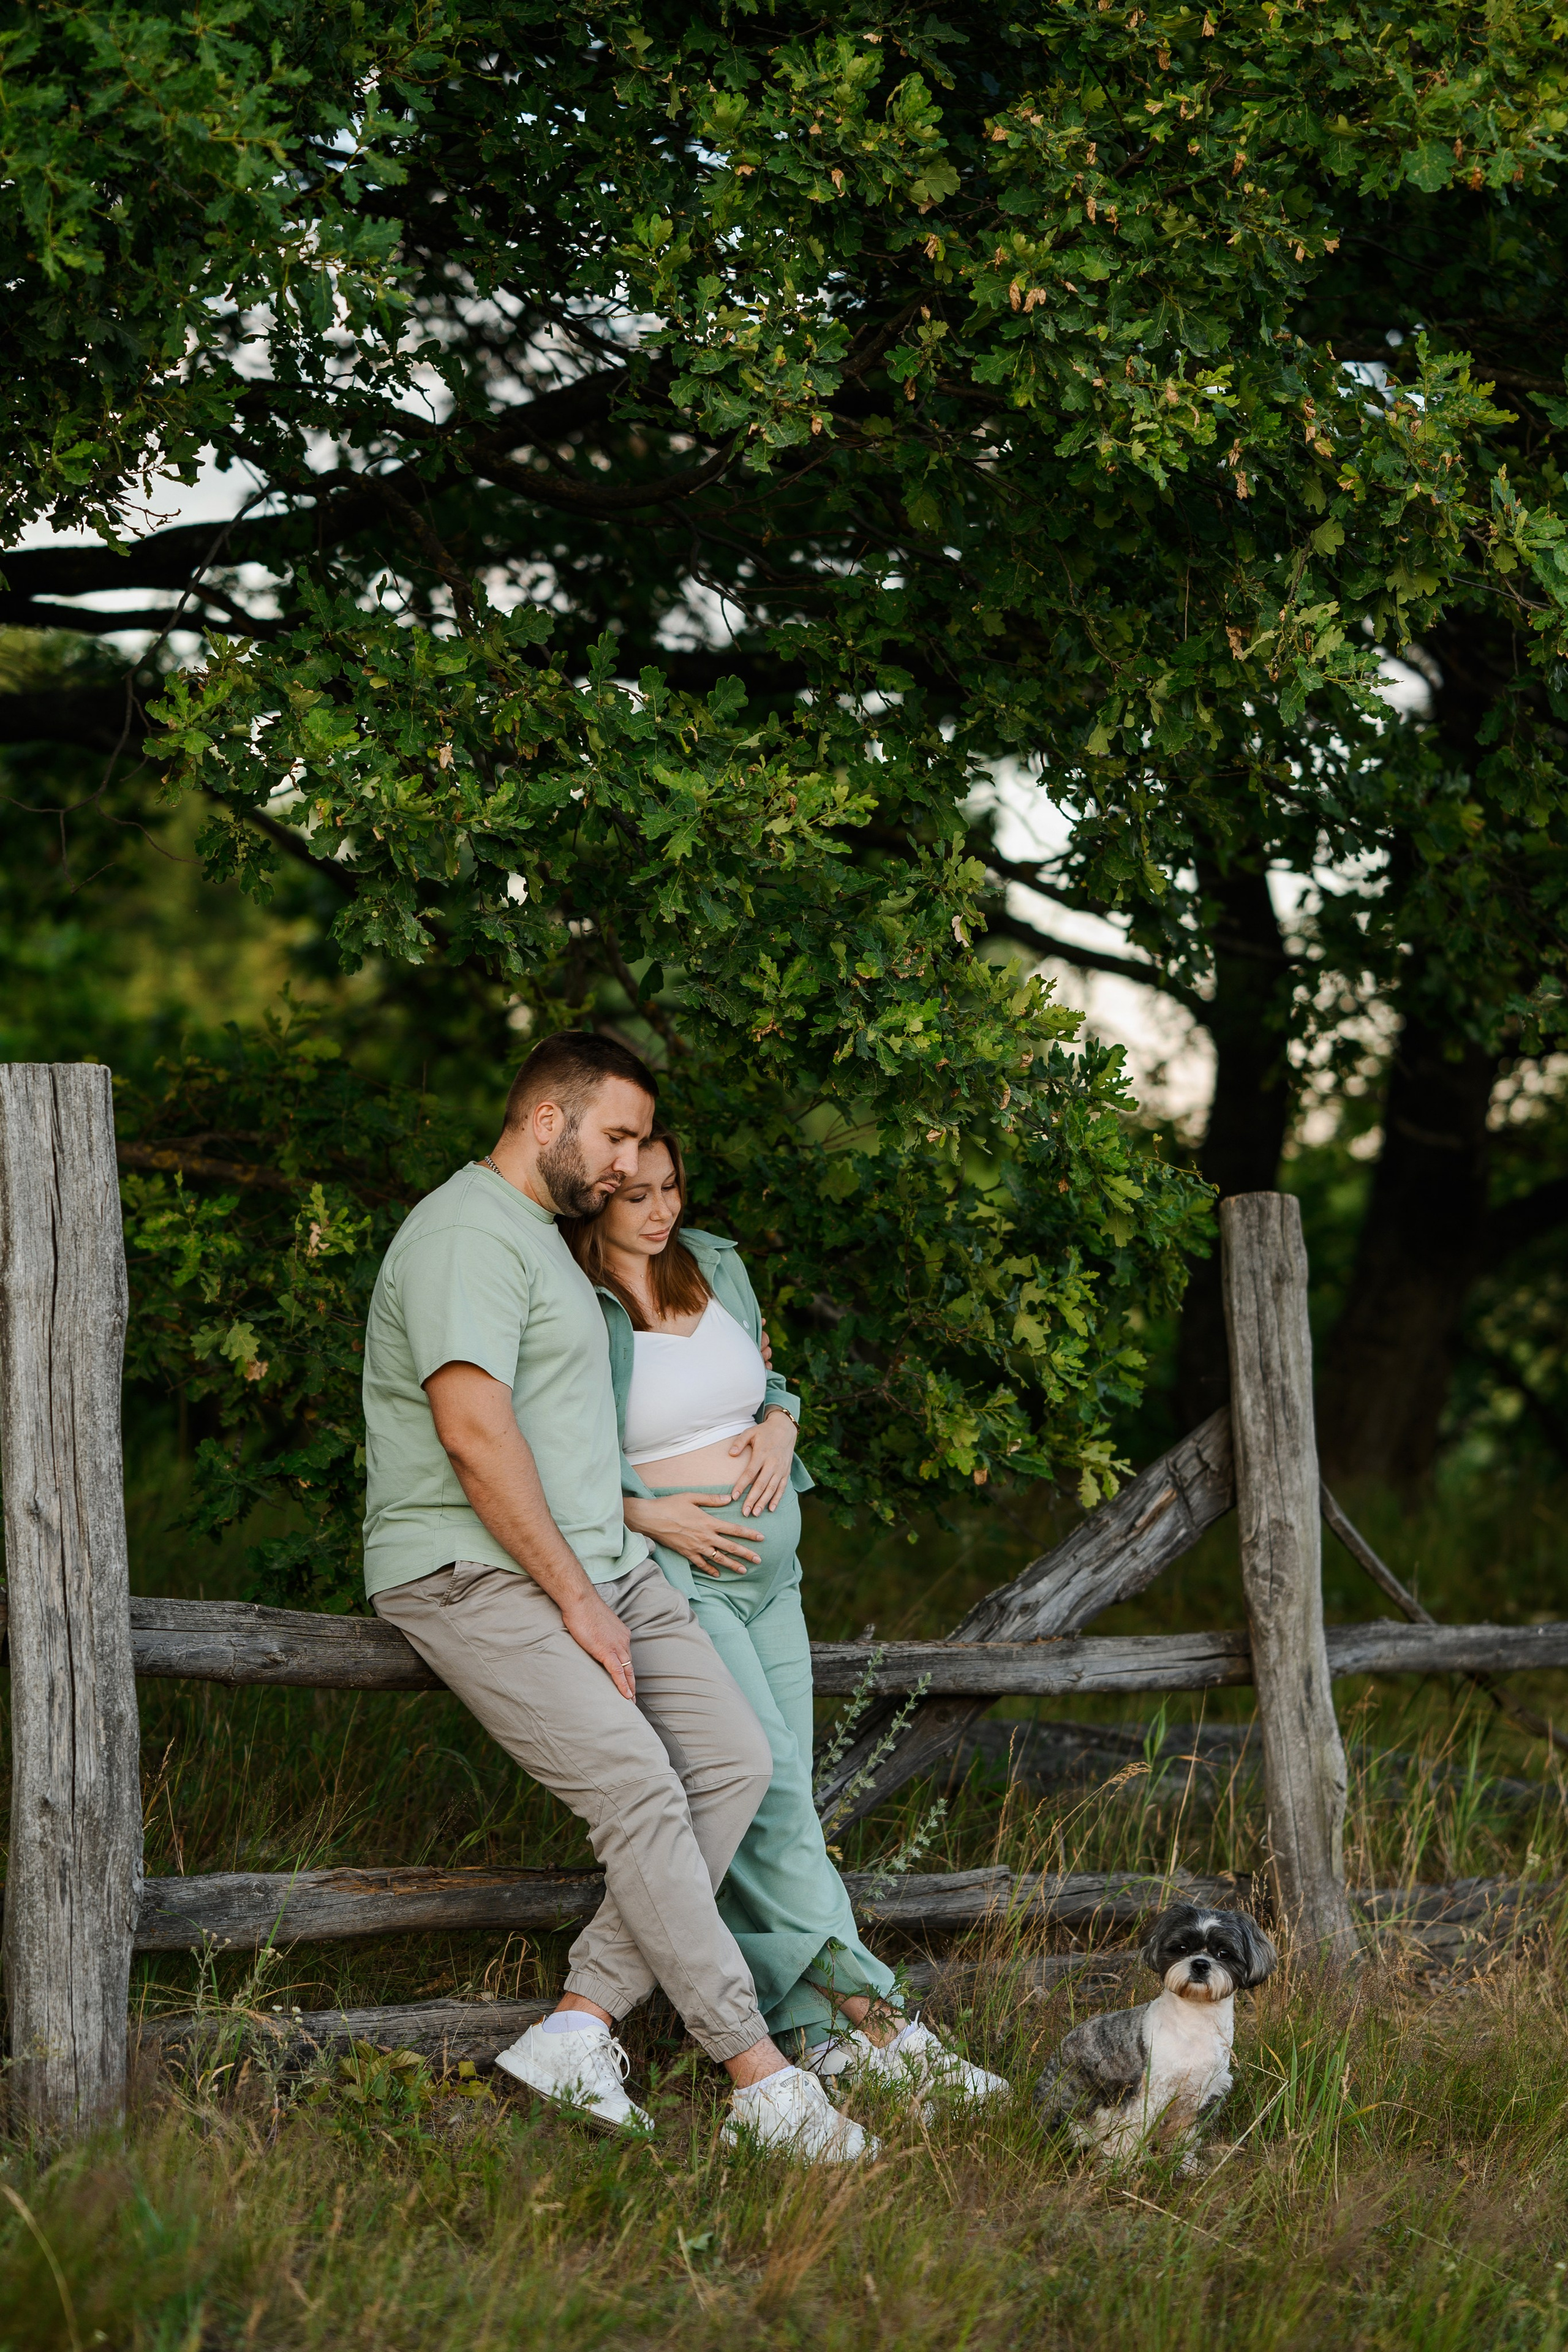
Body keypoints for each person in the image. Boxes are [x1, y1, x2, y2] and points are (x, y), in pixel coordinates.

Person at [361, 1031, 873, 2162]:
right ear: (549, 1120)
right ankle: (763, 2080)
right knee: (641, 1785)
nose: (630, 1165)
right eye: (617, 1136)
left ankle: (580, 2026)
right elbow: (472, 1432)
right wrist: (579, 1599)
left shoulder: (549, 1244)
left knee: (736, 1762)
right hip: (472, 1570)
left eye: (645, 1142)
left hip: (598, 1564)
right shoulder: (463, 1236)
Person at [562, 1128, 1011, 2108]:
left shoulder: (715, 1263)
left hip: (774, 1574)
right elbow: (554, 1451)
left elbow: (767, 1381)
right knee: (758, 1792)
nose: (662, 1209)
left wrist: (781, 1423)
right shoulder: (570, 1301)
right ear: (595, 1197)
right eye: (638, 1194)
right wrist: (644, 1511)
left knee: (786, 1807)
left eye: (673, 1186)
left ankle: (811, 2035)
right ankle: (884, 2020)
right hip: (682, 1580)